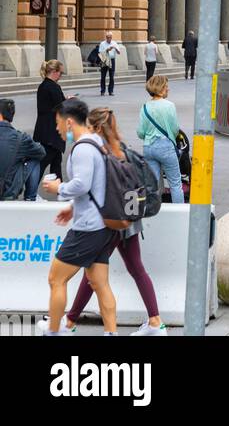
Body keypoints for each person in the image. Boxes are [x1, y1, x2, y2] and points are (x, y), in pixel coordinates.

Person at [60, 109, 166, 337]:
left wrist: (71, 205)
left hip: (109, 223)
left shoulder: (101, 153)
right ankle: (155, 322)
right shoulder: (123, 149)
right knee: (135, 269)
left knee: (94, 272)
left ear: (96, 128)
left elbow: (97, 191)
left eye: (89, 126)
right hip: (129, 221)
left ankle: (68, 322)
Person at [40, 98, 117, 336]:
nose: (57, 129)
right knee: (100, 283)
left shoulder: (83, 148)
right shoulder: (97, 142)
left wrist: (58, 189)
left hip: (88, 227)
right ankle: (111, 333)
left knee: (55, 278)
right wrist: (72, 207)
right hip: (104, 225)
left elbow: (82, 184)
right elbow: (96, 186)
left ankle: (54, 330)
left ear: (70, 122)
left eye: (58, 123)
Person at [137, 75, 183, 203]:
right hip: (166, 148)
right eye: (167, 86)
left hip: (149, 148)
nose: (168, 89)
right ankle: (179, 213)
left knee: (153, 184)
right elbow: (175, 130)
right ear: (161, 88)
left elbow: (140, 132)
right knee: (175, 183)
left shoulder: (144, 107)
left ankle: (153, 213)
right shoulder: (169, 106)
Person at [0, 98, 45, 200]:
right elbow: (41, 152)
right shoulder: (21, 139)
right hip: (7, 192)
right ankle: (30, 198)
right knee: (34, 158)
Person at [34, 60, 66, 181]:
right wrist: (69, 102)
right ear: (54, 71)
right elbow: (61, 107)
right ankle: (30, 193)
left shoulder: (43, 86)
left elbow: (51, 105)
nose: (61, 76)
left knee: (56, 162)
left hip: (44, 130)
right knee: (43, 163)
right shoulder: (53, 87)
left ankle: (60, 191)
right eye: (60, 73)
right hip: (51, 132)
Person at [98, 31, 121, 97]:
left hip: (112, 60)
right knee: (103, 77)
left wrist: (116, 49)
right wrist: (107, 50)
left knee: (112, 77)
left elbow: (119, 52)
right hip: (105, 60)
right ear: (106, 37)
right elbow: (100, 53)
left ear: (111, 37)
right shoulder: (102, 43)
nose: (109, 39)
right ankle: (102, 91)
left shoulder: (114, 43)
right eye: (107, 37)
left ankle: (111, 91)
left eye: (110, 37)